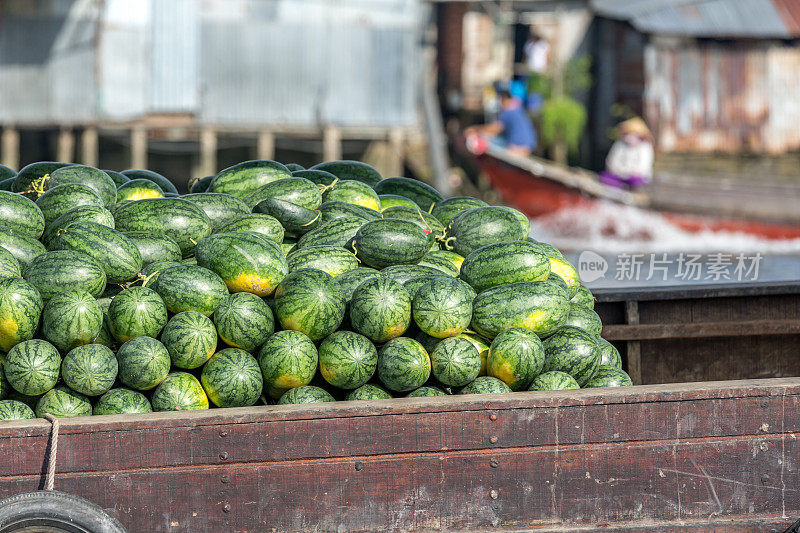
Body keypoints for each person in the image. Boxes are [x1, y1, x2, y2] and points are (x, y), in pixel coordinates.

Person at [466, 89, 537, 157]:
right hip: (529, 146)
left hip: (516, 147)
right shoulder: (519, 109)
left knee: (485, 139)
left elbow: (495, 129)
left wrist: (476, 130)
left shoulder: (508, 111)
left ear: (504, 99)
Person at [599, 117, 654, 190]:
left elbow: (643, 167)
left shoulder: (645, 147)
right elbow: (611, 162)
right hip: (619, 175)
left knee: (637, 182)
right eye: (628, 134)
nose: (630, 137)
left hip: (636, 177)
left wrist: (631, 173)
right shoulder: (619, 144)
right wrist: (620, 172)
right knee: (605, 177)